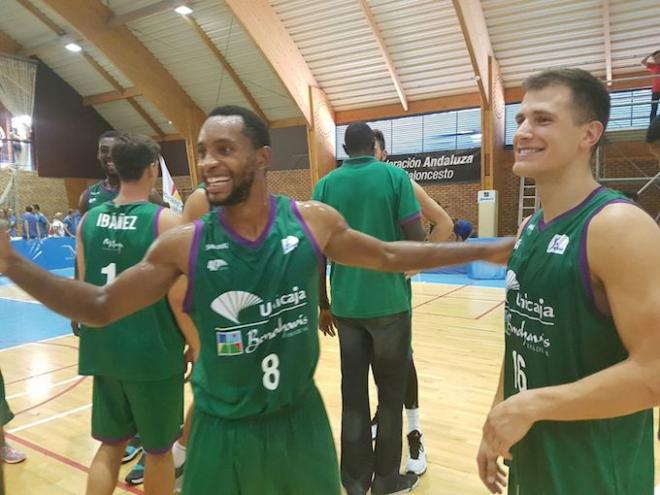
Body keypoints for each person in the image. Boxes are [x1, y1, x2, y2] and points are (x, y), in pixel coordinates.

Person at [0, 105, 513, 495]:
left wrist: (486, 247)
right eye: (203, 150)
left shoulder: (312, 220)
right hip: (222, 434)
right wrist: (13, 263)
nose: (208, 162)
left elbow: (387, 254)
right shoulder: (184, 243)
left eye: (224, 149)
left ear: (263, 157)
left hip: (301, 421)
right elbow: (99, 306)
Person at [476, 68, 660, 495]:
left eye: (543, 120)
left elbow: (655, 373)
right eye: (521, 119)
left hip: (596, 473)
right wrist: (497, 418)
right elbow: (521, 340)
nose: (522, 132)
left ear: (589, 134)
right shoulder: (529, 230)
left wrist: (533, 405)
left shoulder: (618, 226)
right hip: (534, 459)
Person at [313, 122, 429, 494]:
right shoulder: (395, 178)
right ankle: (388, 480)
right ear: (375, 146)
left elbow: (317, 254)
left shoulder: (325, 186)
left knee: (353, 396)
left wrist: (323, 303)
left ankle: (354, 479)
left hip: (346, 307)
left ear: (346, 148)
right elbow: (417, 238)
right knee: (391, 397)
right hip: (390, 306)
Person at [77, 133, 193, 495]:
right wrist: (196, 343)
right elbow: (178, 297)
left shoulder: (87, 220)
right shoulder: (165, 223)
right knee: (158, 452)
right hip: (151, 353)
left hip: (105, 350)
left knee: (110, 446)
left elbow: (84, 287)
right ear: (151, 170)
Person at [364, 129, 452, 477]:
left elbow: (443, 223)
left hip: (392, 297)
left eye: (373, 150)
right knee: (372, 360)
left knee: (402, 361)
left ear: (383, 153)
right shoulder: (344, 187)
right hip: (357, 299)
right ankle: (379, 415)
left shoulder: (401, 184)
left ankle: (414, 431)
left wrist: (419, 260)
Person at [641, 50, 660, 121]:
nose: (657, 59)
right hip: (655, 91)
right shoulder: (653, 66)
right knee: (653, 108)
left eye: (659, 57)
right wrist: (650, 55)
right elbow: (643, 62)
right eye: (655, 58)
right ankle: (652, 124)